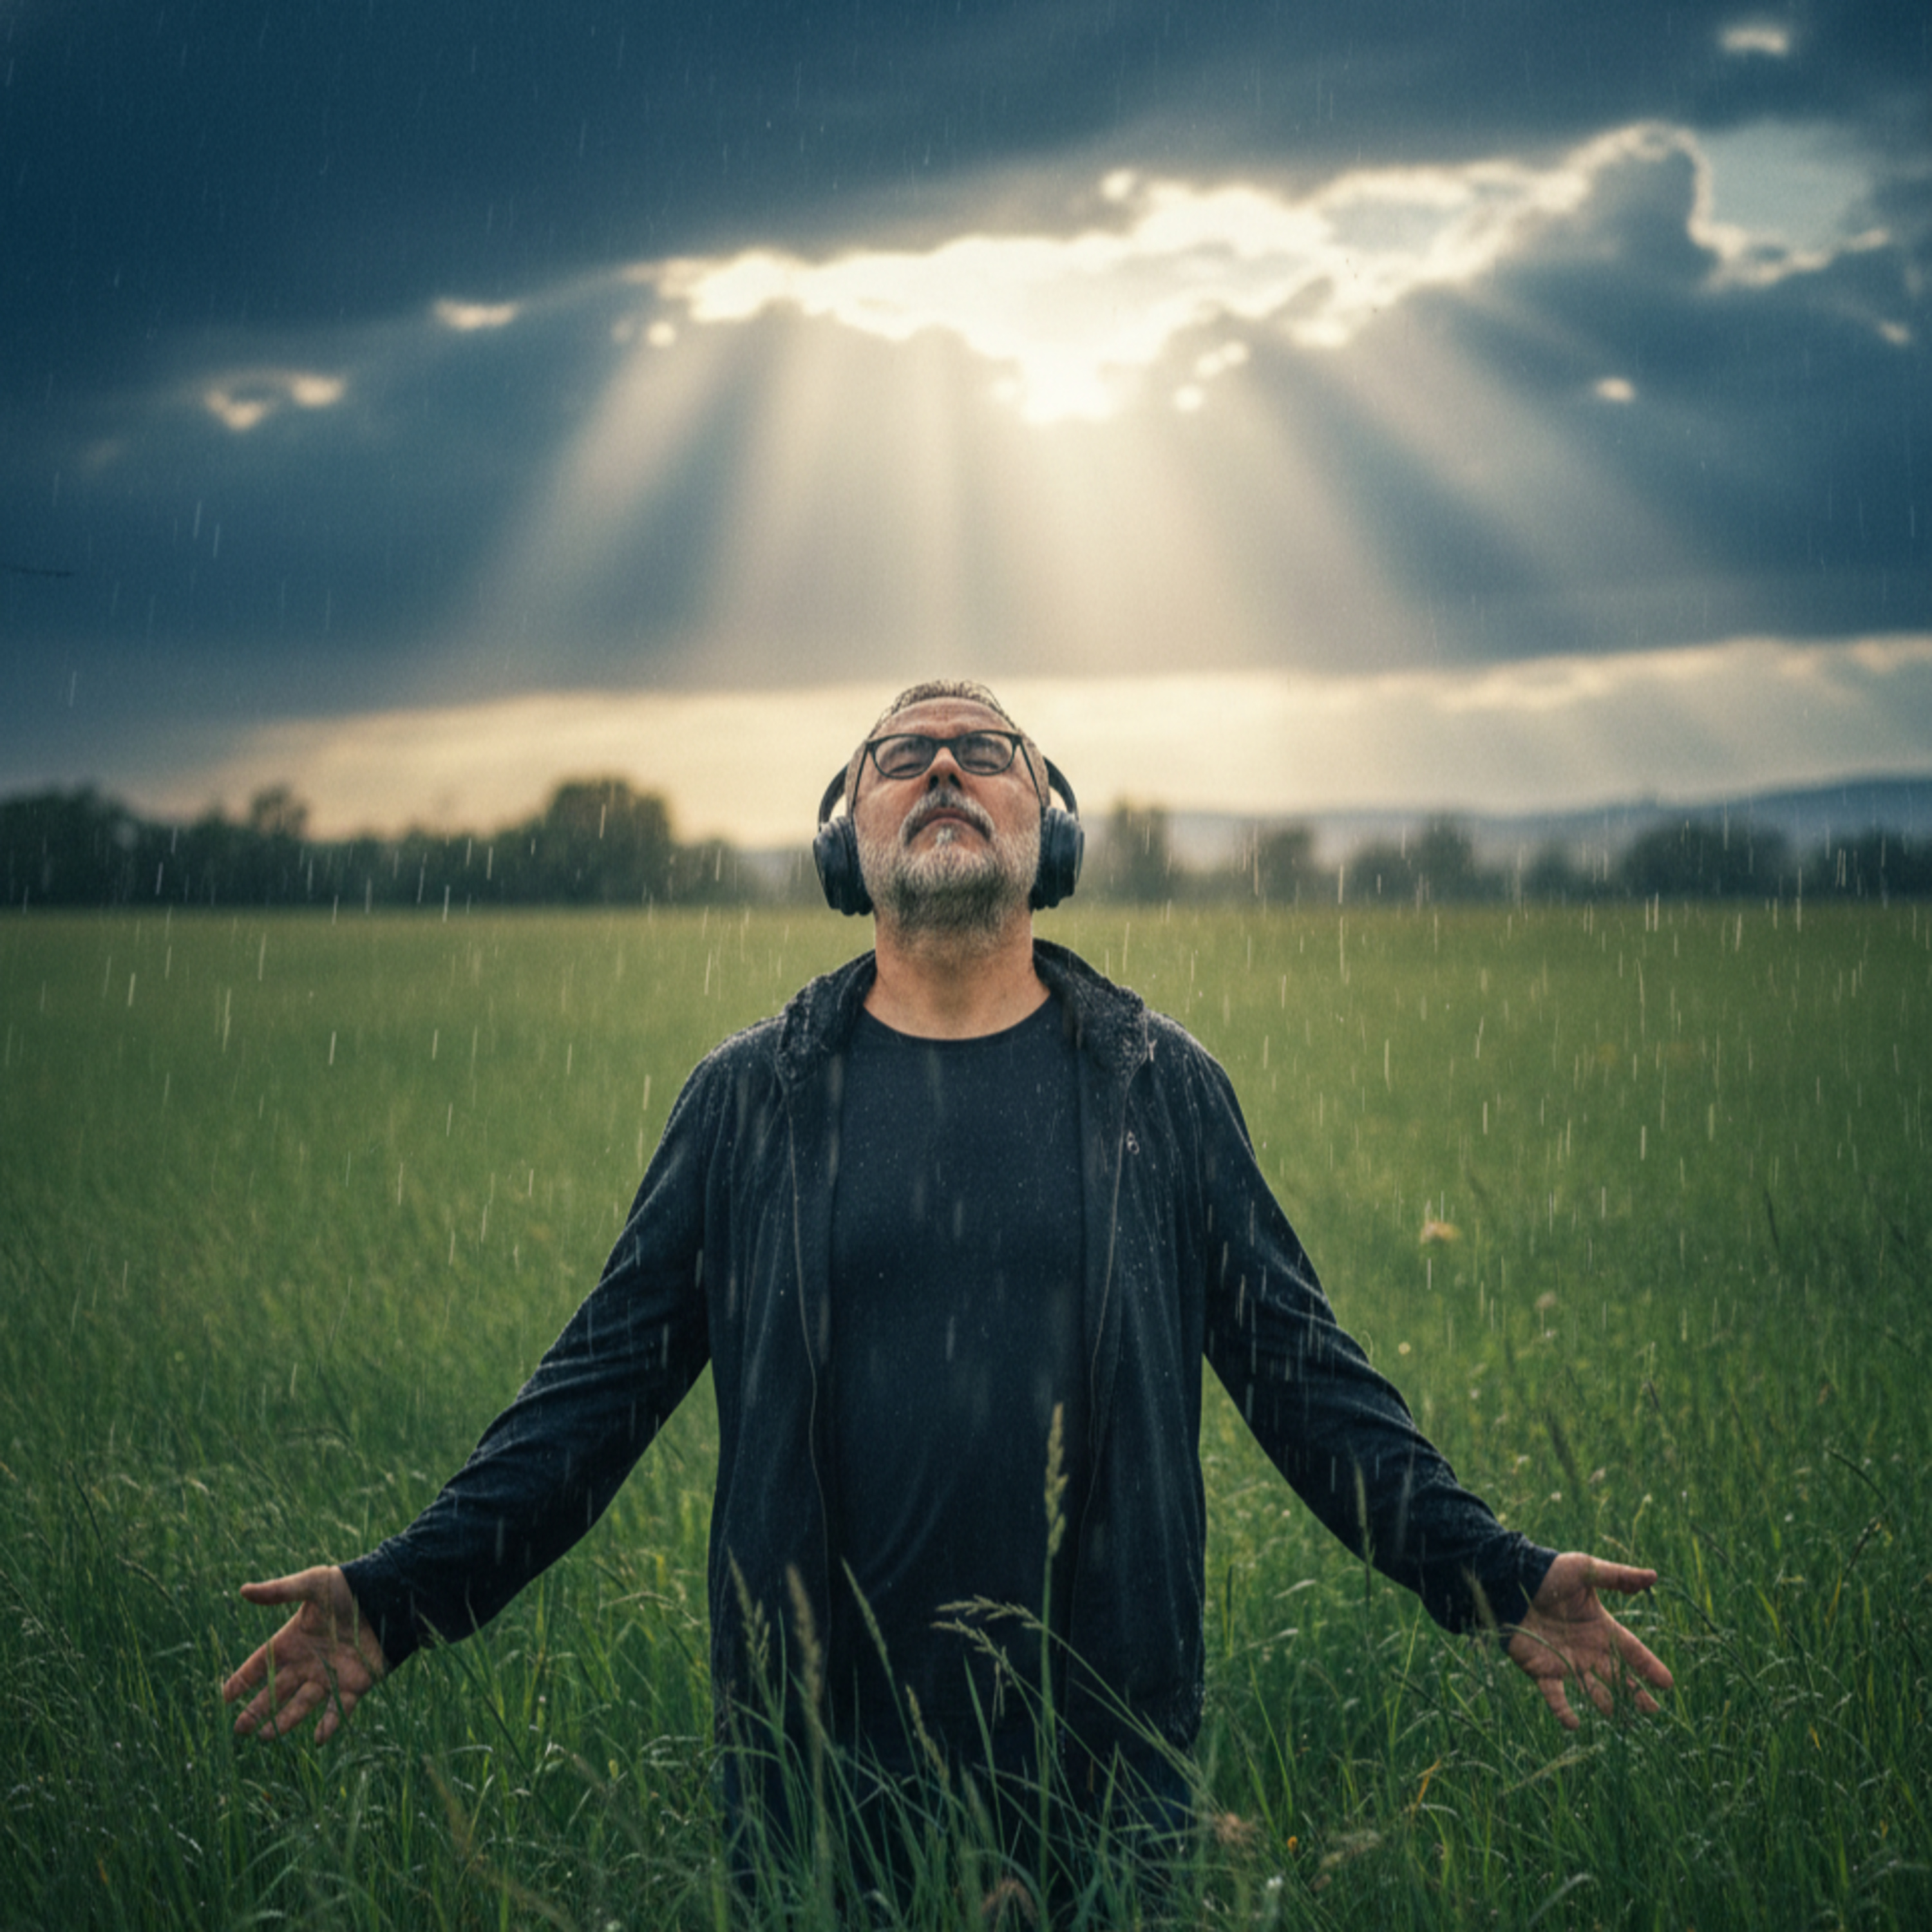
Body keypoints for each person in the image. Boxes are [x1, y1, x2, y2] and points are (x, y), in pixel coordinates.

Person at [223, 679, 1671, 1901]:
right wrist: (397, 1599)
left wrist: (1497, 1577)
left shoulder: (1159, 1093)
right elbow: (592, 1400)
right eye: (899, 755)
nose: (941, 768)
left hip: (1109, 1766)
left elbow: (1309, 1385)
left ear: (1052, 830)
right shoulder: (747, 1106)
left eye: (986, 750)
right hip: (813, 1775)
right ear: (846, 840)